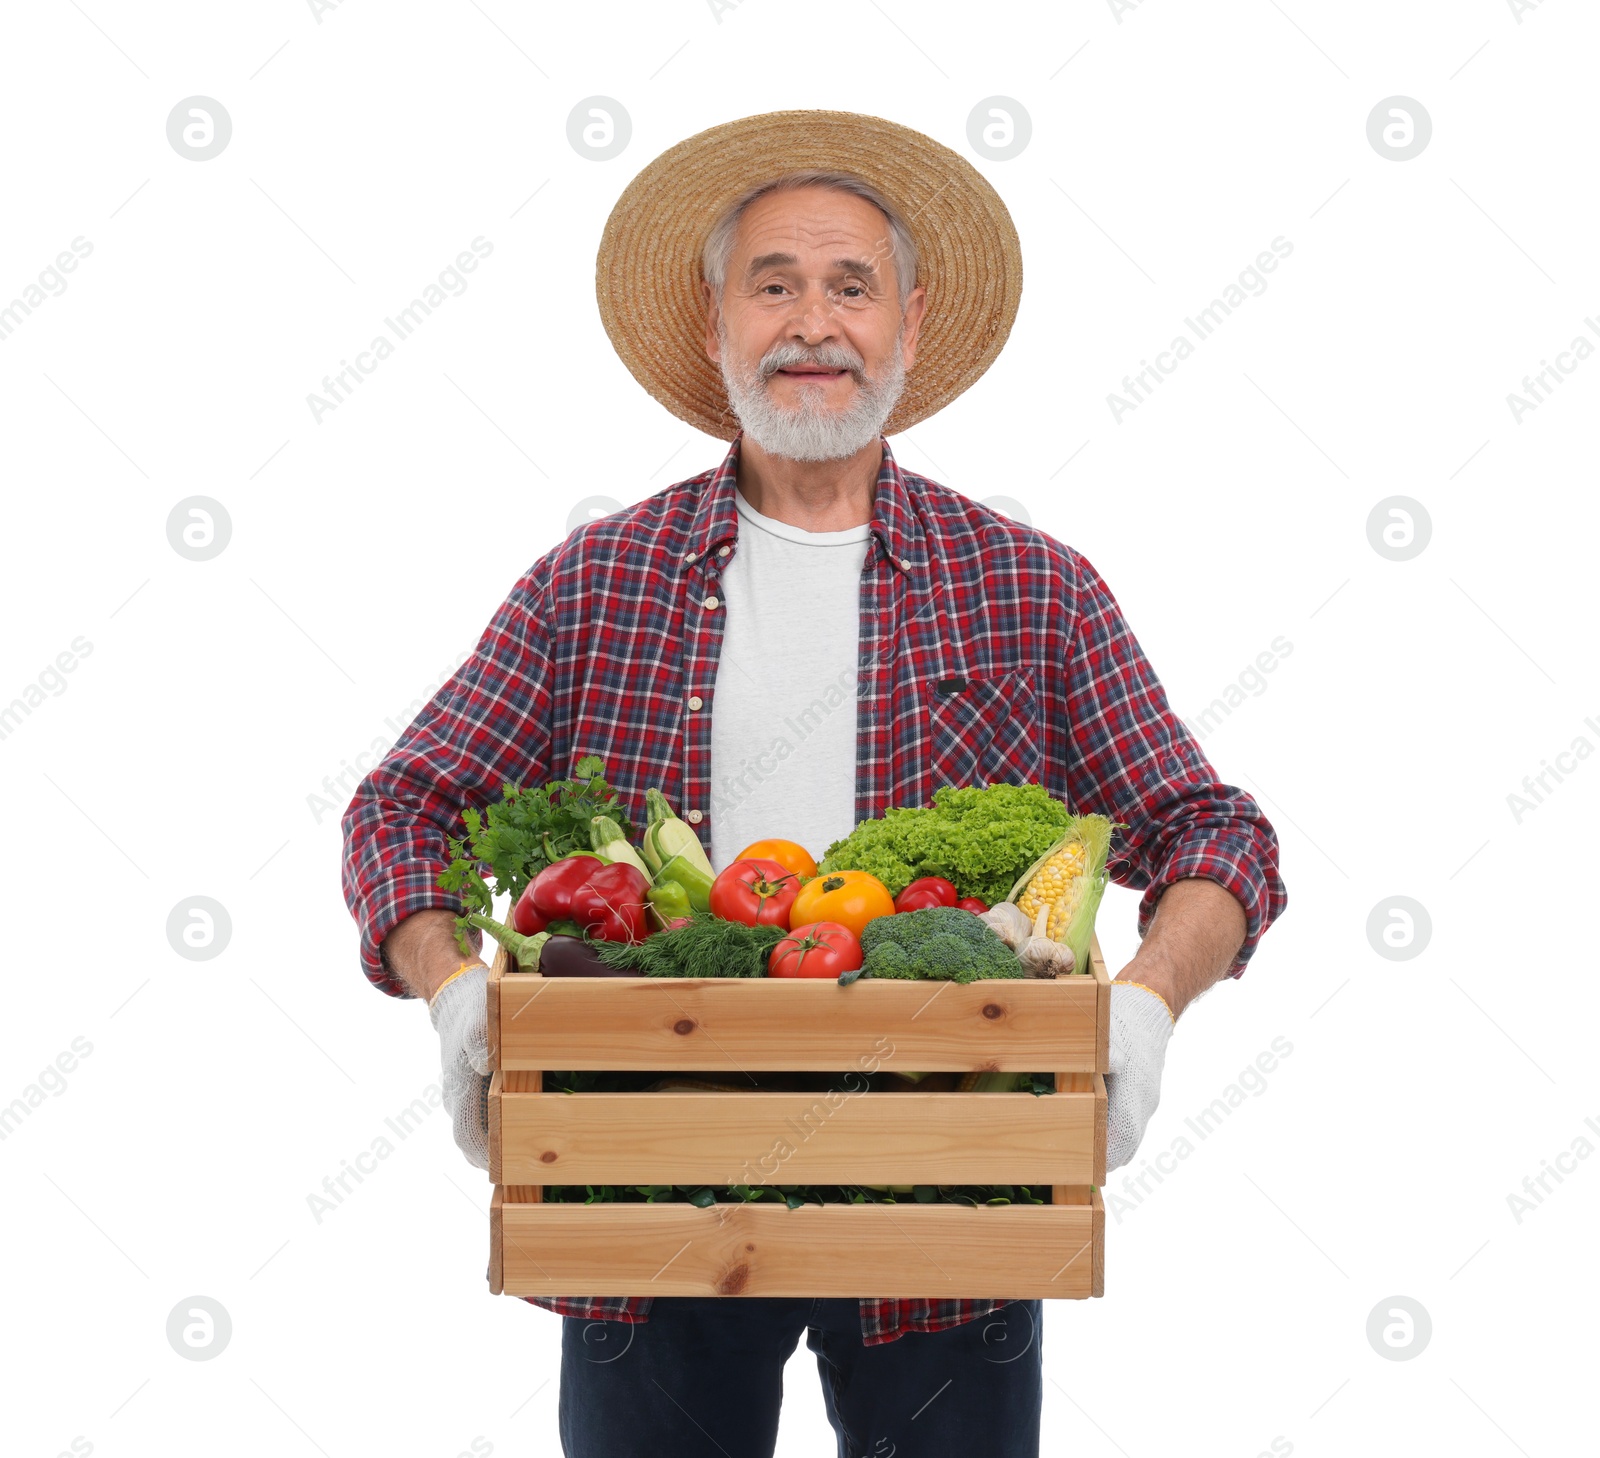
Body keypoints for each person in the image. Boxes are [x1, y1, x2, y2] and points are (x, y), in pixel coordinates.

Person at [341, 110, 1287, 1458]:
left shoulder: (1029, 588)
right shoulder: (593, 584)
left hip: (945, 1204)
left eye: (851, 285)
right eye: (771, 282)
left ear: (908, 319)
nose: (812, 321)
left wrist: (1144, 1008)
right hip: (651, 1189)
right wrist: (448, 990)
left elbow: (1216, 833)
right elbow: (403, 806)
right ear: (717, 321)